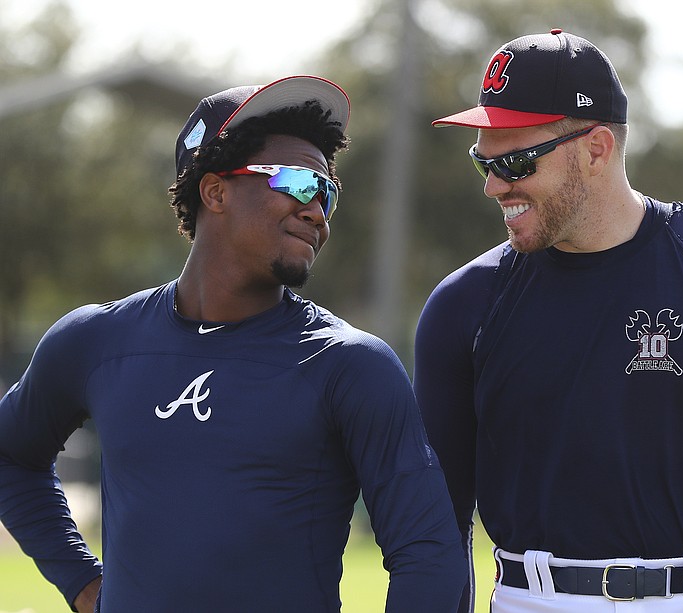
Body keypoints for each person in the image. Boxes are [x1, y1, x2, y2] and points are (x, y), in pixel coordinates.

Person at [0, 75, 466, 612]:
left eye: (327, 192)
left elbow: (428, 553)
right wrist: (82, 583)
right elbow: (13, 456)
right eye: (296, 182)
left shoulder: (351, 365)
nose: (316, 210)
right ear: (215, 191)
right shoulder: (96, 340)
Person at [413, 29, 683, 613]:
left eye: (515, 161)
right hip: (529, 600)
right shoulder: (462, 304)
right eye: (483, 163)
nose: (495, 185)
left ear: (596, 148)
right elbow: (436, 529)